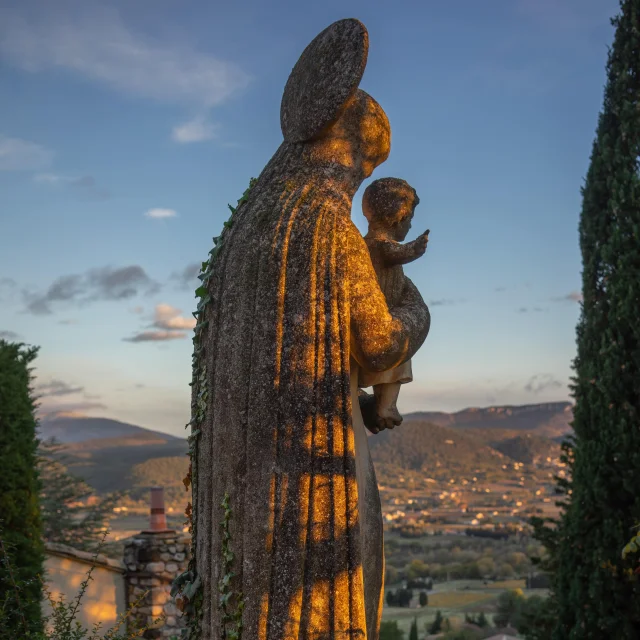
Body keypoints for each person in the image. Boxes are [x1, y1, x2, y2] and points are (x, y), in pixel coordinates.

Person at [358, 178, 430, 431]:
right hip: (383, 318)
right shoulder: (378, 244)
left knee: (400, 355)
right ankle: (386, 405)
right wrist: (415, 248)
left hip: (385, 314)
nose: (409, 225)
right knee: (400, 351)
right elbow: (395, 252)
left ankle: (384, 403)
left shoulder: (366, 246)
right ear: (398, 218)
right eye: (409, 219)